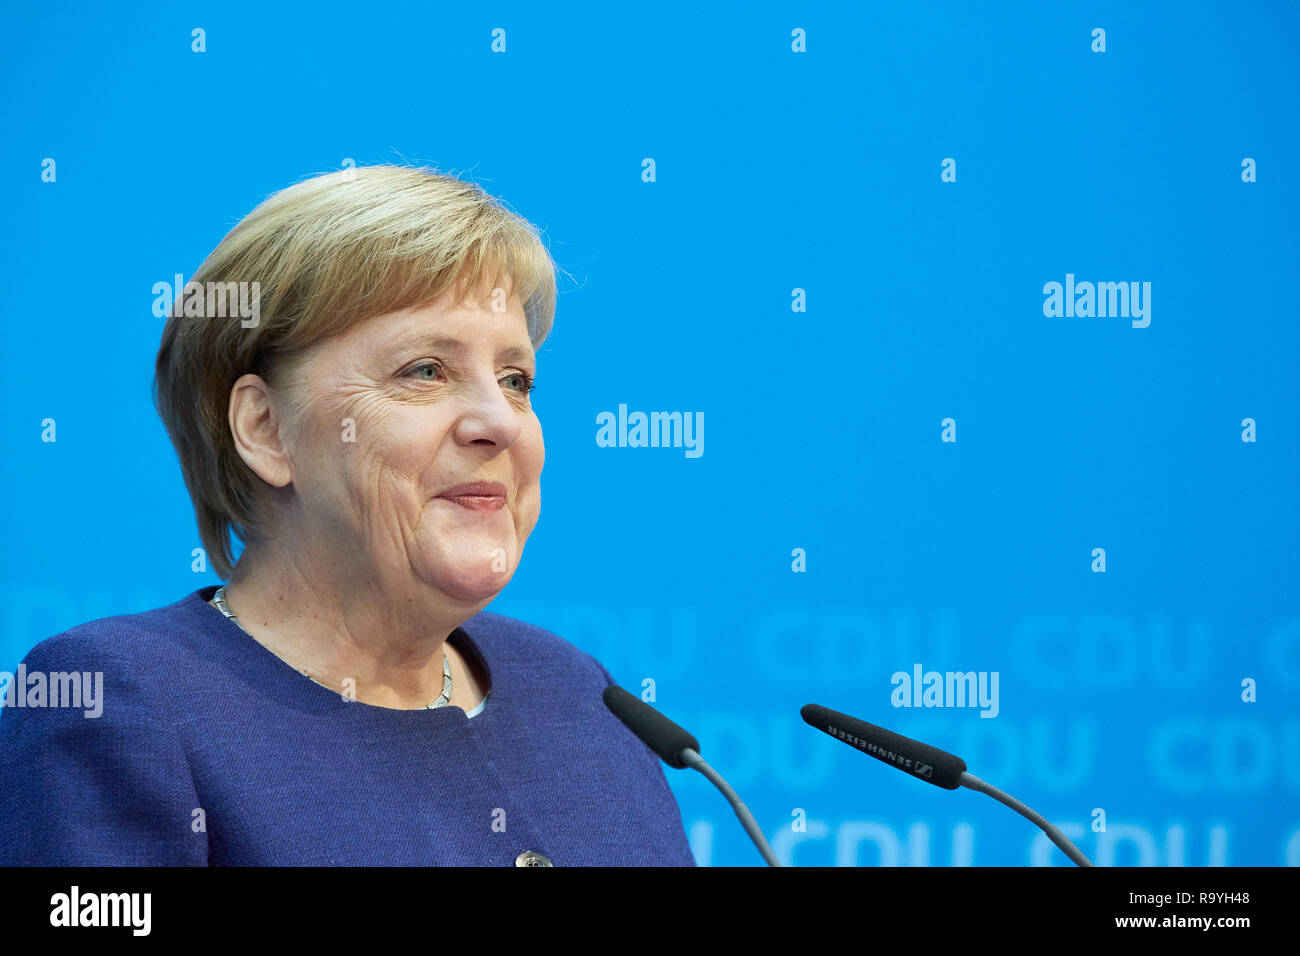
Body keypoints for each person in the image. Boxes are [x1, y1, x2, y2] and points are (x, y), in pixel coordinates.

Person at [0, 164, 696, 866]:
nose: (500, 423)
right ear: (267, 429)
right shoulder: (118, 703)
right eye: (425, 370)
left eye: (516, 381)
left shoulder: (577, 693)